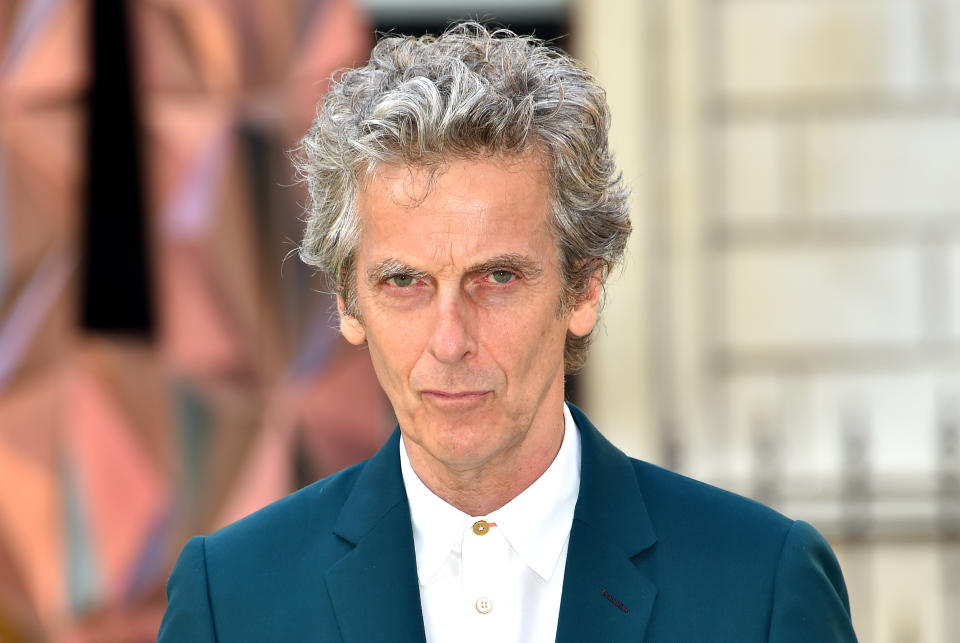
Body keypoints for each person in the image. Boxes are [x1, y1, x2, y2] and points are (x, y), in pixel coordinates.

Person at [158, 22, 857, 642]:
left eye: (497, 278)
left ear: (584, 287)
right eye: (405, 282)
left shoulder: (761, 585)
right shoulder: (233, 599)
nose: (450, 339)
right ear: (347, 301)